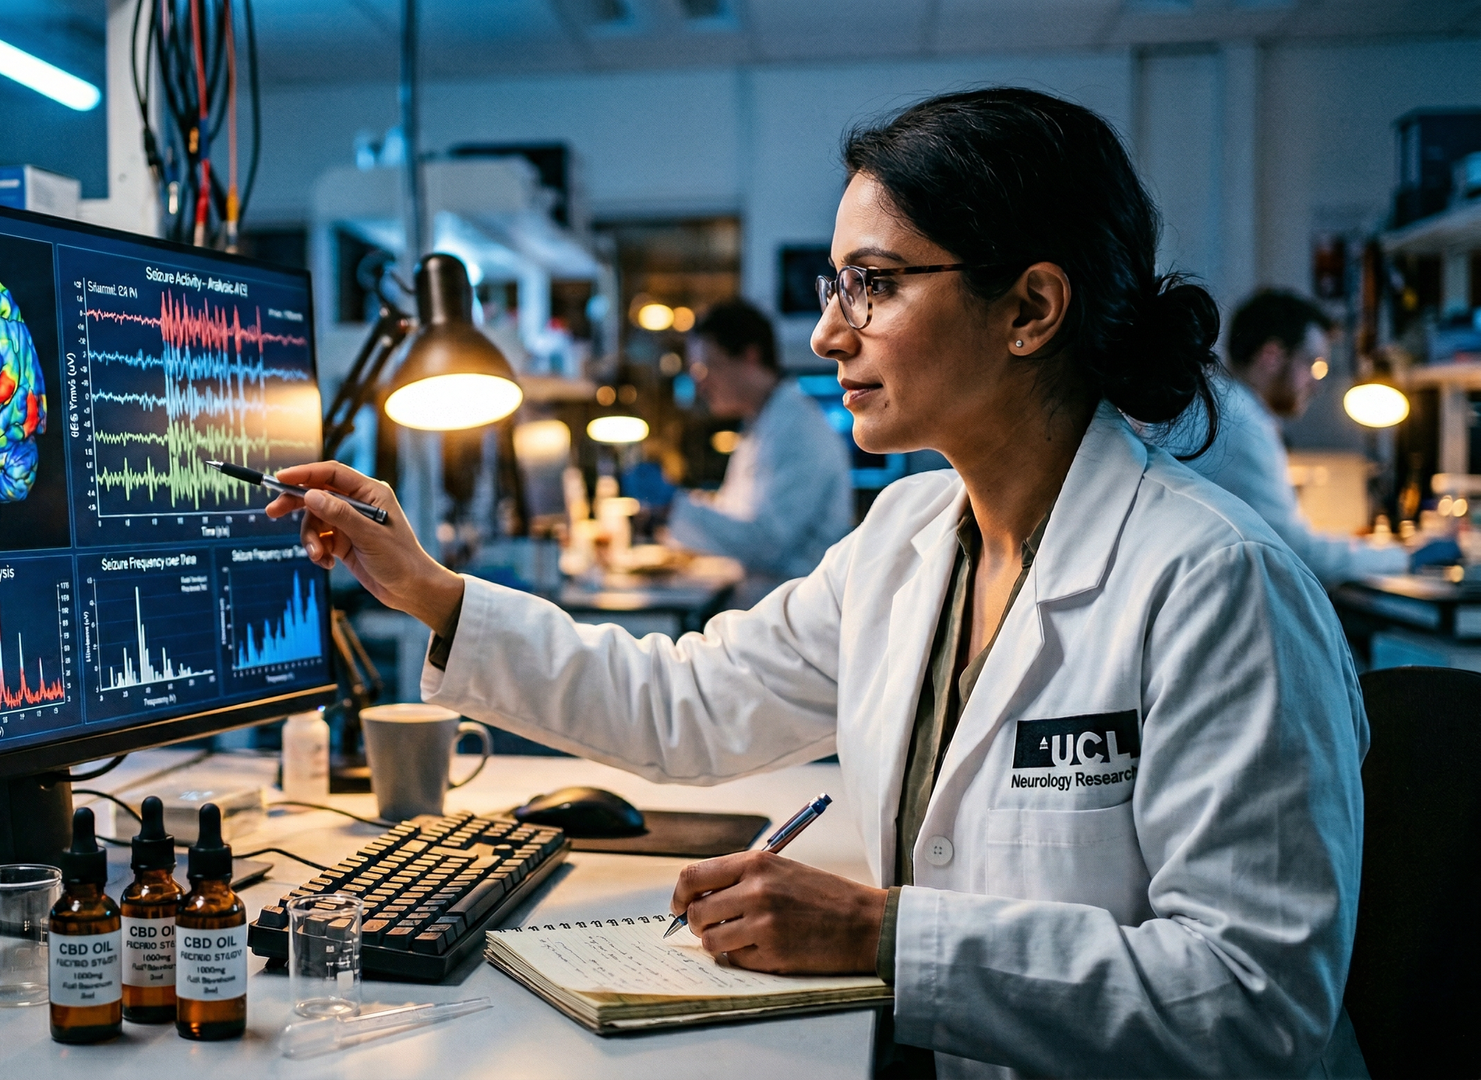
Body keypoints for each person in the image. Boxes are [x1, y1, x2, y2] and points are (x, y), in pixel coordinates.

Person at [271, 88, 1365, 1078]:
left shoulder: (1216, 585)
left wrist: (882, 935)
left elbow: (1255, 1005)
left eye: (874, 286)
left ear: (1031, 308)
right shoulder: (905, 538)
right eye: (833, 287)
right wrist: (431, 591)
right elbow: (683, 706)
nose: (826, 331)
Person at [1147, 289, 1433, 585]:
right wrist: (1408, 557)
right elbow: (1295, 553)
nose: (1317, 385)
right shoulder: (1240, 421)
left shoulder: (1217, 403)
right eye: (1314, 366)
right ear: (1272, 356)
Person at [665, 298, 854, 589]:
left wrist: (673, 509)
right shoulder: (762, 421)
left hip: (799, 613)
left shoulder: (797, 429)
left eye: (706, 368)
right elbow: (739, 514)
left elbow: (768, 543)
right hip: (770, 604)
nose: (700, 384)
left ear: (750, 357)